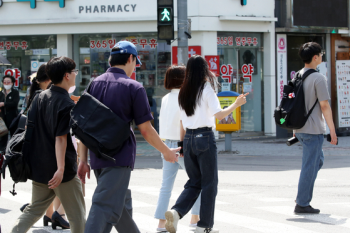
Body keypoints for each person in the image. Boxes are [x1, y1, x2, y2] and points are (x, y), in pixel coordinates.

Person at [77, 41, 179, 233]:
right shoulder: (134, 87)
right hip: (119, 157)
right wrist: (166, 152)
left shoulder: (93, 84)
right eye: (135, 62)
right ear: (131, 59)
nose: (134, 67)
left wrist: (82, 159)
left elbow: (82, 126)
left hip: (97, 157)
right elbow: (146, 130)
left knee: (118, 206)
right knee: (103, 205)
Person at [164, 55, 248, 233]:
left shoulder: (183, 91)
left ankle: (176, 212)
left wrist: (182, 143)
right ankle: (204, 226)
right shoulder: (206, 88)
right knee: (209, 183)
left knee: (194, 181)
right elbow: (219, 116)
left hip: (188, 140)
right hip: (204, 137)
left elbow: (182, 121)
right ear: (204, 70)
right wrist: (237, 104)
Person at [10, 56, 86, 233]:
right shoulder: (65, 104)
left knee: (33, 210)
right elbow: (61, 138)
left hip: (39, 166)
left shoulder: (40, 96)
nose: (76, 74)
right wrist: (60, 169)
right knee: (77, 217)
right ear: (67, 75)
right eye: (74, 71)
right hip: (62, 171)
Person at [19, 64, 70, 229]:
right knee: (68, 198)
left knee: (38, 202)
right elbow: (59, 136)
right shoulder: (48, 97)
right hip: (51, 153)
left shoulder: (36, 96)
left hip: (38, 155)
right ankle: (57, 215)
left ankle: (50, 215)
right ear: (49, 79)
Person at [155, 66, 201, 232]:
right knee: (196, 182)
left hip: (166, 144)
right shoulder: (186, 97)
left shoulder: (166, 98)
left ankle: (161, 223)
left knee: (166, 186)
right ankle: (195, 218)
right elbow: (184, 122)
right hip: (182, 144)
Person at [293, 42, 337, 214]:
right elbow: (324, 106)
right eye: (321, 54)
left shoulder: (297, 75)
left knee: (316, 161)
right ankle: (302, 203)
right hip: (313, 129)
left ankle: (302, 195)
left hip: (301, 128)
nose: (322, 56)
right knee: (310, 166)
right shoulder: (318, 78)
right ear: (315, 57)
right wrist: (332, 130)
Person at [0, 75, 20, 150]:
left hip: (12, 117)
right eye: (5, 82)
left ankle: (12, 152)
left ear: (12, 83)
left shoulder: (15, 92)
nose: (6, 83)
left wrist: (3, 104)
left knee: (13, 136)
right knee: (2, 137)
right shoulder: (1, 93)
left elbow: (14, 103)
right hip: (2, 118)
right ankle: (2, 153)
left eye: (8, 82)